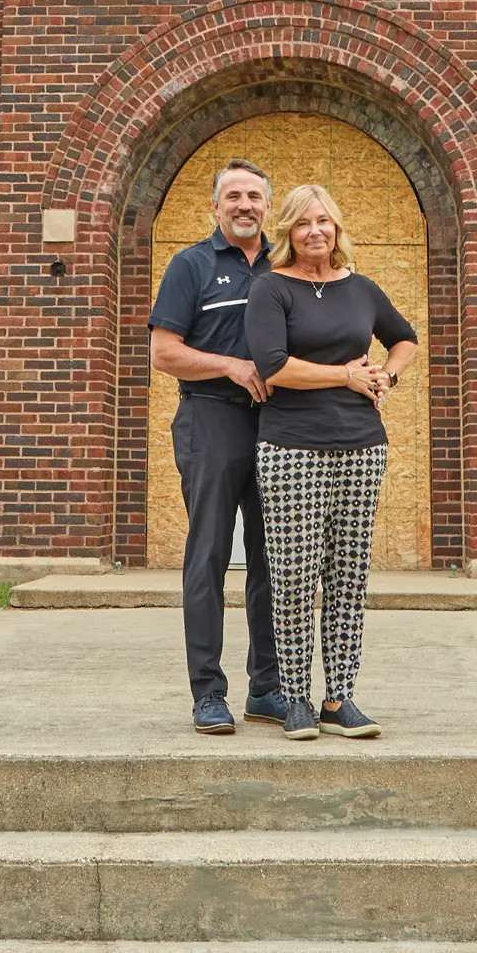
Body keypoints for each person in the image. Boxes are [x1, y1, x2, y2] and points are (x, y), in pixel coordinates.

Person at [243, 184, 418, 741]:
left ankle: (339, 698)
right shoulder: (271, 289)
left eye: (324, 222)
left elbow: (405, 339)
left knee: (348, 575)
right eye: (303, 223)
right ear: (288, 233)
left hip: (362, 445)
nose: (315, 231)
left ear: (337, 229)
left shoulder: (362, 289)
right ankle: (294, 698)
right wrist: (346, 374)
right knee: (294, 574)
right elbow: (272, 366)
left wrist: (386, 377)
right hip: (292, 446)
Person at [147, 158, 286, 735]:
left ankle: (268, 689)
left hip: (280, 425)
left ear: (267, 205)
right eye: (234, 196)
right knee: (207, 555)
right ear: (216, 206)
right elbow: (164, 351)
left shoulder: (286, 266)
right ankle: (208, 691)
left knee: (273, 559)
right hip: (211, 420)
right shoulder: (192, 265)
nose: (245, 204)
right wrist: (230, 365)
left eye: (255, 195)